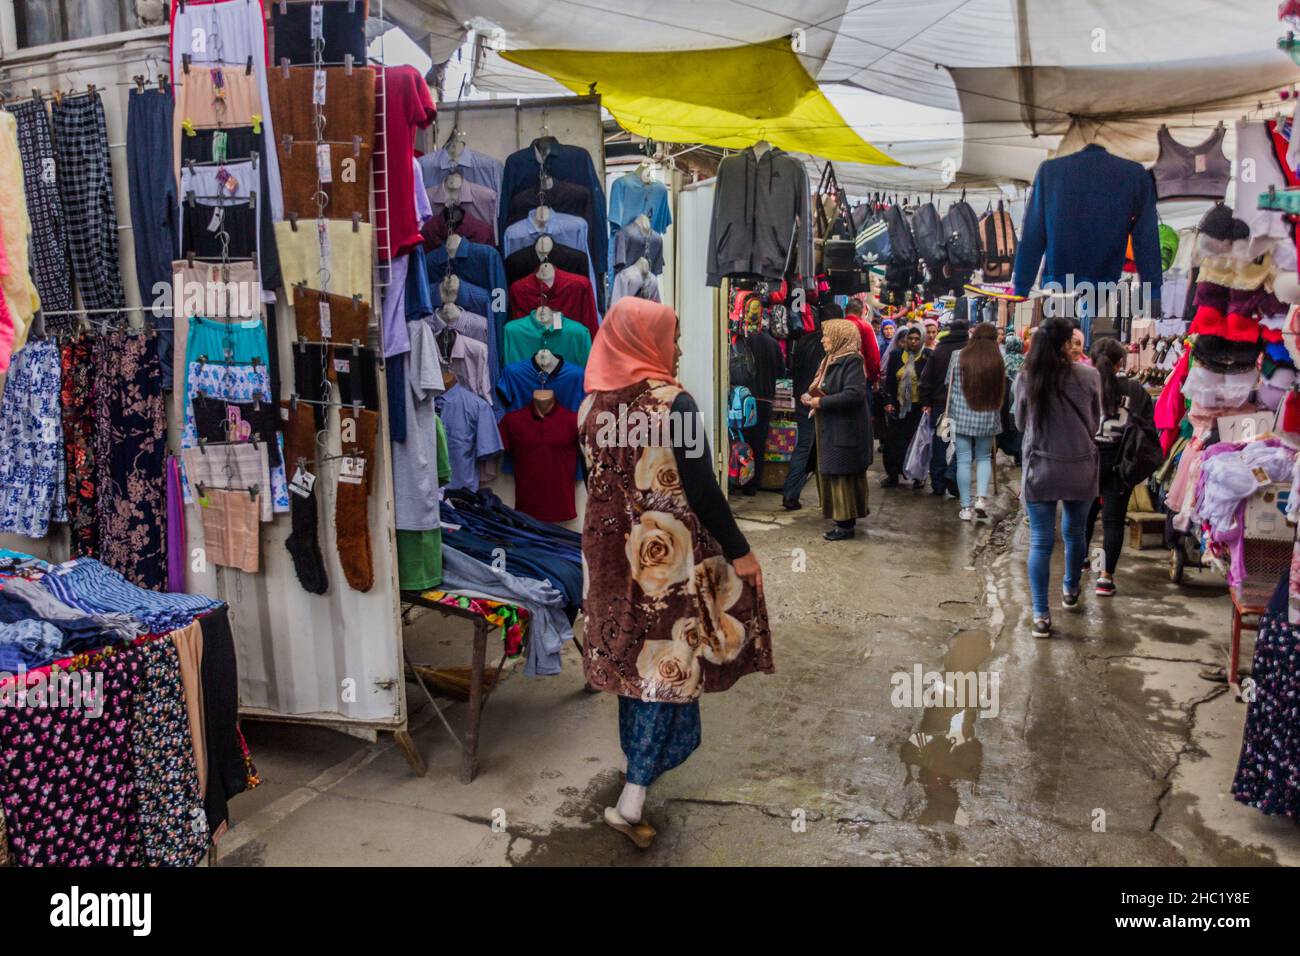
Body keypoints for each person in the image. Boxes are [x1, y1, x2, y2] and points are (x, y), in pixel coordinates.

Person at [578, 298, 773, 847]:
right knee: (668, 665)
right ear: (646, 341)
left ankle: (635, 775)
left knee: (633, 667)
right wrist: (741, 552)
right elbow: (704, 491)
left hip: (608, 563)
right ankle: (633, 796)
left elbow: (595, 480)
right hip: (664, 569)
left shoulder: (588, 406)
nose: (680, 348)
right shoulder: (675, 405)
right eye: (674, 337)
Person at [1014, 316, 1102, 638]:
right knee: (1075, 531)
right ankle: (1070, 588)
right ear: (1067, 344)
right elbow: (1095, 423)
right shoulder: (1090, 376)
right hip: (1080, 468)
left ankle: (1040, 615)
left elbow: (1021, 423)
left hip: (1041, 468)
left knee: (1040, 541)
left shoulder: (1027, 377)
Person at [1085, 337, 1155, 597]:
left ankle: (1081, 559)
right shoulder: (1135, 390)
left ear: (1092, 360)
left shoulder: (1085, 385)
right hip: (1121, 464)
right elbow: (1148, 427)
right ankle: (1105, 578)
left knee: (1086, 514)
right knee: (1113, 521)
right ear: (1120, 362)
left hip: (1088, 461)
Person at [802, 318, 871, 541]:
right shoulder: (829, 360)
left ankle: (845, 525)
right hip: (831, 427)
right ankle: (840, 521)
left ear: (840, 337)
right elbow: (822, 387)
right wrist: (810, 396)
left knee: (842, 475)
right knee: (833, 472)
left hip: (845, 429)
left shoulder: (852, 361)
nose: (823, 340)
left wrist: (821, 403)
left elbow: (854, 394)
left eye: (827, 335)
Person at [948, 323, 1005, 520]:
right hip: (987, 415)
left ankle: (966, 507)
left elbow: (949, 383)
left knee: (963, 460)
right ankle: (981, 498)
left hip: (961, 415)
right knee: (983, 458)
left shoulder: (958, 355)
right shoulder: (998, 359)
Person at [732, 301, 784, 496]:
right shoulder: (773, 344)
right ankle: (753, 485)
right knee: (759, 442)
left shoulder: (743, 342)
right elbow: (781, 372)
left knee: (741, 438)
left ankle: (738, 480)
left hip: (745, 398)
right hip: (766, 400)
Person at [781, 302, 829, 510]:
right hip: (820, 402)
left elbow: (793, 369)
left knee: (803, 447)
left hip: (803, 399)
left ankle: (792, 494)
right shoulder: (828, 346)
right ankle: (795, 494)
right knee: (819, 449)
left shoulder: (803, 342)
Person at [919, 316, 969, 497]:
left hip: (941, 405)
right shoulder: (969, 350)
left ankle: (938, 482)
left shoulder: (939, 350)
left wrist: (926, 402)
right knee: (964, 442)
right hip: (965, 406)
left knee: (940, 442)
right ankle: (952, 473)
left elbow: (926, 379)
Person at [881, 325, 930, 489]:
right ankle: (893, 474)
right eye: (910, 338)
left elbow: (929, 383)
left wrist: (926, 404)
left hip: (917, 408)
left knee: (916, 443)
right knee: (892, 442)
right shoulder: (896, 356)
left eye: (917, 339)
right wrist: (888, 401)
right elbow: (888, 383)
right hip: (897, 407)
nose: (913, 342)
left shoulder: (926, 357)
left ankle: (917, 476)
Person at [844, 297, 881, 387]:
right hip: (861, 377)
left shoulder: (837, 326)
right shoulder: (865, 326)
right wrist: (875, 378)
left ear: (846, 311)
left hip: (840, 377)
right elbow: (873, 357)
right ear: (862, 312)